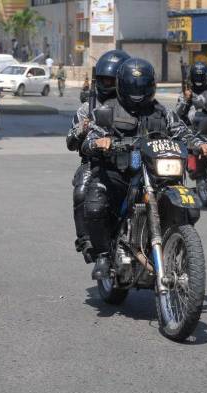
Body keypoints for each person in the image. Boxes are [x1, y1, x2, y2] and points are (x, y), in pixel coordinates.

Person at [80, 58, 207, 279]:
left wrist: (200, 145)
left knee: (188, 206)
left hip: (155, 174)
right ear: (122, 85)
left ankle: (175, 244)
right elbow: (91, 137)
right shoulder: (108, 110)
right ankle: (104, 255)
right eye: (133, 86)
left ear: (150, 86)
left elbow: (182, 132)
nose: (137, 91)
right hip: (119, 172)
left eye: (142, 86)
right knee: (96, 204)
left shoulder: (162, 112)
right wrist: (99, 142)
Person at [66, 49, 131, 264]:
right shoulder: (88, 108)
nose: (108, 84)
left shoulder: (136, 106)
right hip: (97, 161)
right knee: (82, 191)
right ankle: (87, 240)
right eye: (103, 80)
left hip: (132, 160)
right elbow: (70, 142)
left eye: (112, 80)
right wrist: (82, 130)